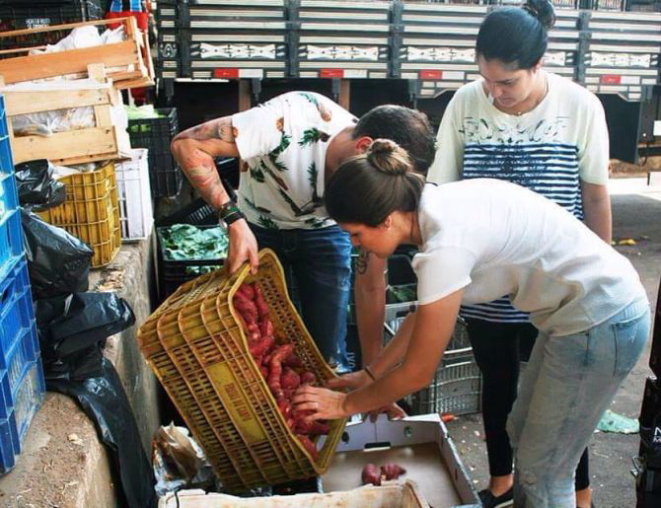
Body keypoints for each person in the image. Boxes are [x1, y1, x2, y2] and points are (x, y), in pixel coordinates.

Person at [292, 140, 649, 508]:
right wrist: (372, 377)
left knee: (545, 472)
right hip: (576, 317)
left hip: (602, 319)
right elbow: (422, 319)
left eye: (356, 234)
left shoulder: (445, 243)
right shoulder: (435, 207)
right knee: (522, 435)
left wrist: (344, 405)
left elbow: (417, 373)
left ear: (386, 219)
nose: (356, 245)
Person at [421, 0, 612, 505]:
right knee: (498, 384)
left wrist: (602, 271)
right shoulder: (466, 102)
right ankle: (501, 481)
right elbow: (440, 188)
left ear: (537, 65)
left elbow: (593, 195)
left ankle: (581, 490)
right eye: (486, 80)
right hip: (487, 280)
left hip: (554, 284)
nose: (494, 93)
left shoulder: (580, 106)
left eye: (507, 83)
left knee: (562, 398)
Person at [170, 91, 436, 373]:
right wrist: (234, 221)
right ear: (363, 147)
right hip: (258, 228)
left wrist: (371, 371)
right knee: (255, 346)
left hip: (327, 234)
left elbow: (370, 283)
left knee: (326, 355)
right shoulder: (287, 120)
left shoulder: (375, 177)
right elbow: (187, 144)